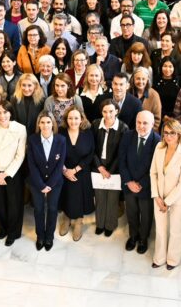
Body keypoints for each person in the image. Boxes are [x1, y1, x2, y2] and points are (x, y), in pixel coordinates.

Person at [150, 118, 181, 270]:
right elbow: (153, 173)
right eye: (166, 133)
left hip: (176, 200)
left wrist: (167, 202)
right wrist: (156, 196)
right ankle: (159, 258)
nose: (168, 137)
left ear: (179, 134)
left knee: (175, 231)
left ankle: (173, 260)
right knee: (160, 230)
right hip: (159, 198)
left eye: (172, 133)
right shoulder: (159, 148)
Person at [0, 101, 27, 246]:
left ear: (11, 113)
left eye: (5, 112)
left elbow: (20, 156)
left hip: (12, 173)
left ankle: (13, 232)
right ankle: (2, 228)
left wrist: (5, 174)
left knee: (14, 204)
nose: (2, 116)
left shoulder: (20, 129)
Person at [120, 110, 160, 254]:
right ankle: (133, 236)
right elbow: (122, 161)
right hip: (129, 184)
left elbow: (155, 167)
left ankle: (143, 239)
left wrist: (141, 183)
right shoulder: (127, 136)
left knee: (146, 214)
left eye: (145, 123)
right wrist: (129, 181)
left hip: (147, 185)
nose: (141, 126)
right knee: (131, 212)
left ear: (152, 124)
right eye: (139, 122)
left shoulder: (158, 141)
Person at [27, 112, 67, 251]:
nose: (45, 125)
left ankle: (49, 237)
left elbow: (60, 164)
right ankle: (40, 236)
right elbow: (32, 165)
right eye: (42, 122)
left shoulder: (61, 140)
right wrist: (41, 185)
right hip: (36, 182)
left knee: (52, 209)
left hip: (55, 183)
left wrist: (49, 185)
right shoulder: (32, 140)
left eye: (48, 122)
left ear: (53, 124)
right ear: (39, 124)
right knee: (38, 209)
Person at [56, 105, 94, 241]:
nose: (73, 121)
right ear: (66, 119)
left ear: (81, 119)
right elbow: (57, 153)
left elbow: (90, 154)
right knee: (66, 194)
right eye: (70, 118)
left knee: (79, 195)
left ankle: (78, 221)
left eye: (76, 118)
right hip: (64, 170)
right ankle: (66, 218)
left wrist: (76, 169)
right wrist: (65, 170)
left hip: (82, 170)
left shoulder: (87, 132)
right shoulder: (61, 132)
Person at [91, 99, 128, 236]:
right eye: (105, 111)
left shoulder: (123, 128)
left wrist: (110, 171)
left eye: (111, 111)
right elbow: (92, 148)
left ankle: (110, 225)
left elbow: (121, 153)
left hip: (115, 168)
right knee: (99, 197)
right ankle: (100, 224)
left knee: (112, 199)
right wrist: (100, 167)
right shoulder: (95, 125)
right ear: (101, 112)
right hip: (98, 166)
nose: (108, 115)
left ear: (117, 111)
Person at [154, 57, 181, 123]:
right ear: (161, 67)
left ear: (174, 68)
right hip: (159, 115)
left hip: (176, 117)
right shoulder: (155, 80)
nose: (167, 69)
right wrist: (163, 116)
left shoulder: (180, 81)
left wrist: (174, 117)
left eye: (170, 66)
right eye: (165, 66)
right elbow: (154, 102)